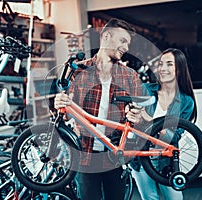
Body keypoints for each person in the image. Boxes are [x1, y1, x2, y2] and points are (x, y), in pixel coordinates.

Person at [54, 18, 144, 200]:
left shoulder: (130, 76)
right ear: (106, 37)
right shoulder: (78, 71)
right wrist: (60, 105)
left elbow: (136, 116)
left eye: (128, 43)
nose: (126, 48)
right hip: (84, 156)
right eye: (123, 41)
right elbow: (64, 116)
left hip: (115, 157)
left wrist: (136, 116)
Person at [130, 48, 197, 200]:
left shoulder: (186, 101)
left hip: (166, 161)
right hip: (140, 156)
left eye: (169, 64)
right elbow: (133, 118)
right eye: (161, 64)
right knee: (150, 198)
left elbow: (173, 137)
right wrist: (132, 114)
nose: (163, 68)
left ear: (179, 69)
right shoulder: (146, 90)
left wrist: (146, 118)